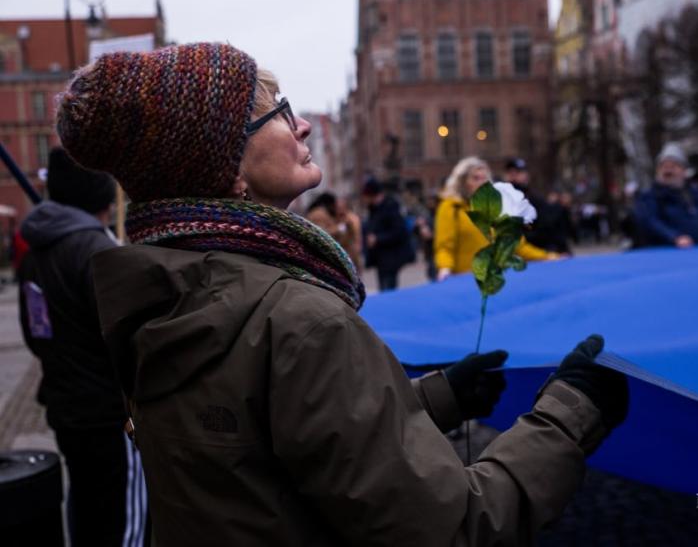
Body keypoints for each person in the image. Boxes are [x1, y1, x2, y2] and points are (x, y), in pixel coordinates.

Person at [56, 42, 627, 546]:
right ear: (228, 170)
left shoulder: (166, 297)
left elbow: (276, 451)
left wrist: (435, 398)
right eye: (278, 114)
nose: (301, 126)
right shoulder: (297, 320)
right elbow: (456, 528)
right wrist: (569, 414)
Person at [17, 147, 148, 547]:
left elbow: (34, 330)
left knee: (87, 509)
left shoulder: (38, 248)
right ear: (102, 195)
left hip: (66, 405)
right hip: (109, 413)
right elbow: (133, 336)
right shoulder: (97, 252)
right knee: (122, 517)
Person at [434, 157, 559, 281]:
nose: (481, 183)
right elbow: (445, 246)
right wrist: (445, 269)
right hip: (466, 280)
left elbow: (518, 246)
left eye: (484, 178)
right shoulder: (451, 208)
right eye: (475, 178)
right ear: (463, 182)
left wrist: (547, 256)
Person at [633, 143, 698, 248]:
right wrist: (675, 237)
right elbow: (651, 222)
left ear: (684, 170)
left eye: (673, 166)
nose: (668, 170)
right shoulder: (650, 197)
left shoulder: (697, 193)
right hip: (669, 253)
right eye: (664, 166)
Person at [361, 178, 414, 291]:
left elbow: (399, 231)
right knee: (384, 288)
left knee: (388, 289)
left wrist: (377, 239)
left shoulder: (390, 207)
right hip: (381, 258)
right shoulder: (373, 209)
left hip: (391, 258)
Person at [306, 191, 363, 271]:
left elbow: (355, 238)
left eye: (340, 207)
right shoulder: (322, 214)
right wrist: (339, 228)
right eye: (337, 207)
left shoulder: (351, 219)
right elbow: (325, 232)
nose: (337, 209)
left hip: (349, 256)